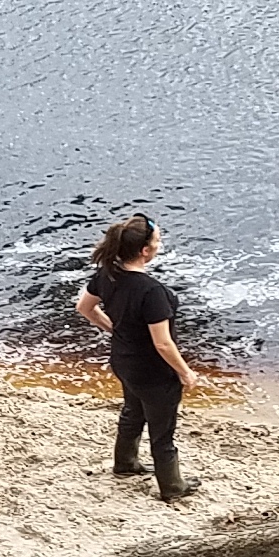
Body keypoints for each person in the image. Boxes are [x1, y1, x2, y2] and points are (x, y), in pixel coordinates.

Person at [75, 214, 202, 500]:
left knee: (132, 412)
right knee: (163, 431)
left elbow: (84, 307)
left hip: (124, 361)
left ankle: (125, 463)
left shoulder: (107, 275)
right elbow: (163, 344)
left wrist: (115, 329)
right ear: (145, 251)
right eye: (157, 241)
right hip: (154, 372)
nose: (160, 244)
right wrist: (185, 372)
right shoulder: (153, 292)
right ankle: (172, 486)